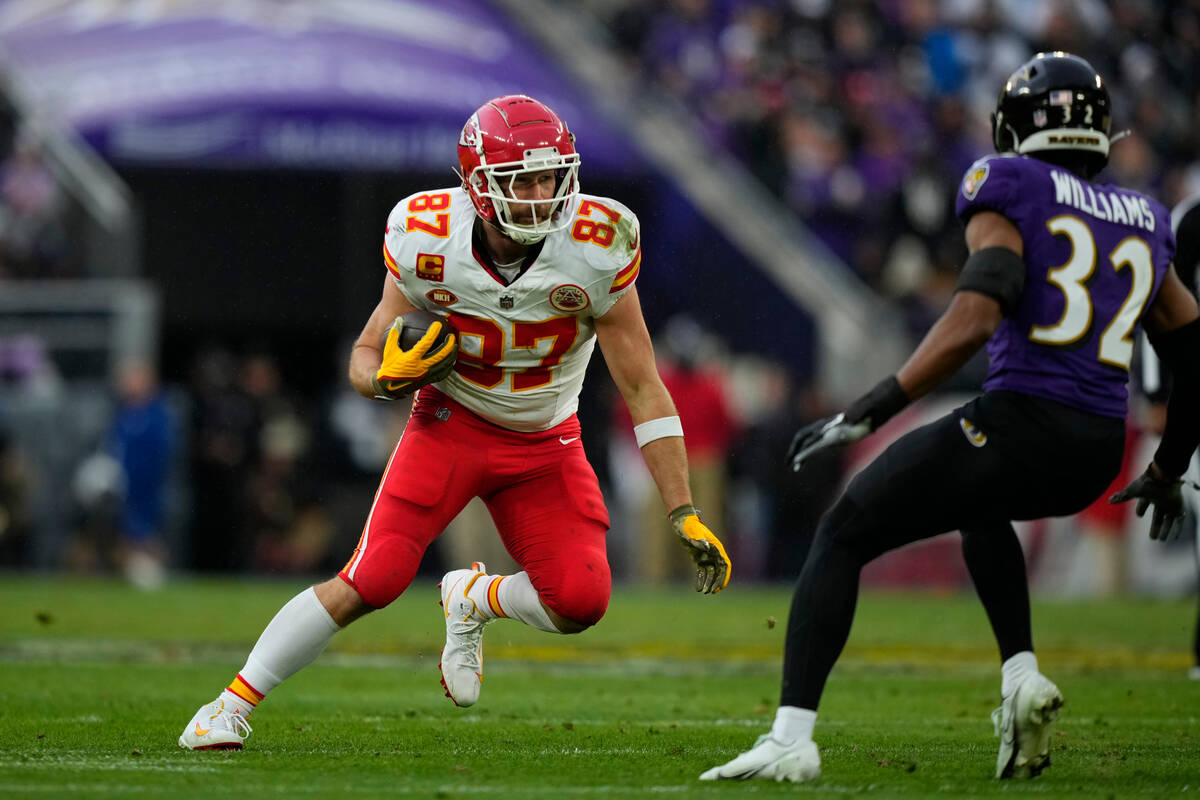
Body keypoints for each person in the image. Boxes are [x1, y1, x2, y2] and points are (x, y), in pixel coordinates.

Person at [701, 52, 1200, 783]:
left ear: (1015, 127)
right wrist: (1168, 467)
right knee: (979, 506)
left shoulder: (1011, 182)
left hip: (1021, 420)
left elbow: (976, 312)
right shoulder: (1145, 216)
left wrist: (875, 407)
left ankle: (790, 738)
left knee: (842, 531)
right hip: (1096, 449)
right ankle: (1020, 676)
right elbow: (1193, 353)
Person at [178, 94, 731, 750]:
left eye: (551, 174)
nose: (542, 192)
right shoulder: (425, 234)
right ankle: (228, 706)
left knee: (581, 601)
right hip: (452, 425)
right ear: (477, 185)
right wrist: (385, 379)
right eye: (521, 179)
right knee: (372, 579)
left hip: (546, 441)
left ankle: (473, 598)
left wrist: (682, 509)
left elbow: (642, 387)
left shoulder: (598, 243)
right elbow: (363, 354)